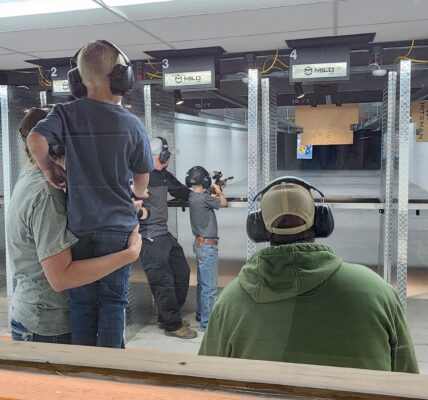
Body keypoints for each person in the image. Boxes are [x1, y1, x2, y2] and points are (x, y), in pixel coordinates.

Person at [199, 177, 419, 373]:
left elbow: (205, 380)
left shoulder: (230, 302)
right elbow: (407, 380)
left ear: (258, 228)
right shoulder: (377, 292)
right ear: (321, 222)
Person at [26, 40, 153, 348]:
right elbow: (142, 176)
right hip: (118, 229)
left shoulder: (65, 112)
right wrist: (137, 194)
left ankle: (82, 364)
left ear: (78, 80)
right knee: (113, 302)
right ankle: (109, 367)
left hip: (80, 226)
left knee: (82, 304)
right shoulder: (132, 123)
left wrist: (48, 169)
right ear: (122, 78)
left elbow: (35, 140)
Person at [8, 108, 142, 344]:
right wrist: (128, 255)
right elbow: (61, 277)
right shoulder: (47, 196)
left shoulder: (32, 178)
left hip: (37, 316)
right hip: (49, 327)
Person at [138, 137, 197, 339]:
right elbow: (125, 201)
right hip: (149, 236)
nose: (170, 157)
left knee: (182, 271)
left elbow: (183, 192)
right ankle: (172, 325)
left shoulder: (163, 176)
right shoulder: (140, 176)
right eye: (168, 154)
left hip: (163, 234)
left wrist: (204, 193)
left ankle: (168, 316)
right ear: (162, 155)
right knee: (162, 281)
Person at [185, 166, 227, 332]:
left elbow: (205, 196)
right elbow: (222, 202)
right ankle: (207, 324)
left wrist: (213, 189)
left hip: (199, 244)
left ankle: (201, 315)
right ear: (205, 181)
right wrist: (219, 191)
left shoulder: (193, 197)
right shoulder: (204, 198)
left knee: (202, 284)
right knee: (209, 288)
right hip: (208, 246)